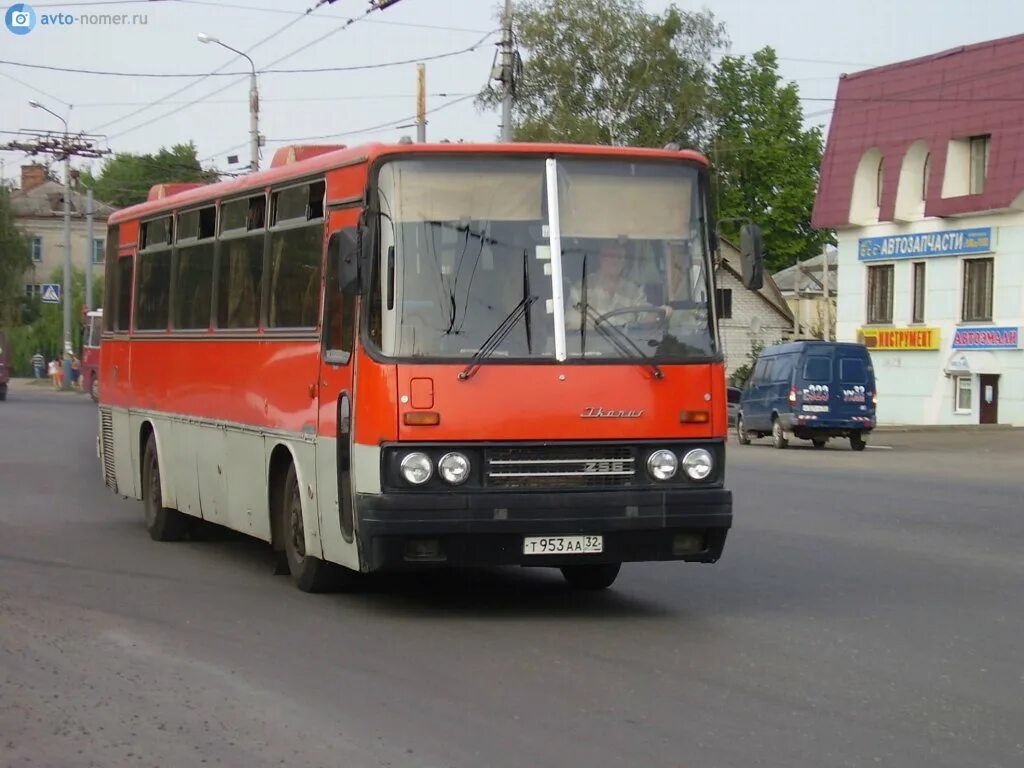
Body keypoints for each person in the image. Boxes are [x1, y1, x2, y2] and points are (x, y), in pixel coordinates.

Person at [565, 241, 671, 330]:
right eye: (611, 256)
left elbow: (644, 316)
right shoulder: (581, 288)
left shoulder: (634, 291)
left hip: (626, 350)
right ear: (601, 259)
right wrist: (618, 324)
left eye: (620, 257)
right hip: (590, 349)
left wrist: (659, 313)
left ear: (624, 261)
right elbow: (571, 321)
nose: (615, 261)